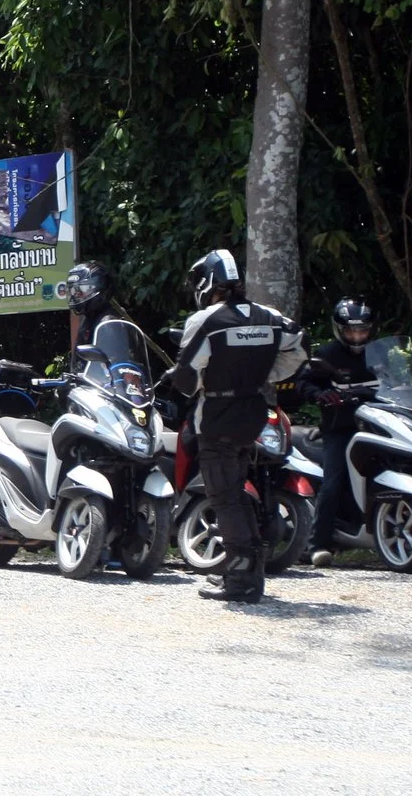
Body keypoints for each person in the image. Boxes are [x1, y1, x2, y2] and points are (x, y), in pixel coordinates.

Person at [171, 249, 308, 603]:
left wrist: (197, 380)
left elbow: (186, 378)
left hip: (217, 414)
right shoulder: (270, 316)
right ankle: (249, 575)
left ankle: (238, 580)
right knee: (237, 492)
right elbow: (299, 347)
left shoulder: (206, 320)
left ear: (207, 282)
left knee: (225, 496)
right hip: (253, 412)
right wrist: (267, 374)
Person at [300, 296, 378, 564]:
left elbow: (399, 382)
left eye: (362, 330)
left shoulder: (380, 354)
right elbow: (305, 383)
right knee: (333, 482)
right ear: (339, 330)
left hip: (379, 427)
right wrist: (321, 396)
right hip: (340, 428)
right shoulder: (327, 354)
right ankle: (317, 544)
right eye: (351, 330)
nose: (357, 336)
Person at [65, 261, 114, 352]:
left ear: (99, 286)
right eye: (73, 290)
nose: (76, 295)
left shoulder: (108, 322)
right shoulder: (88, 319)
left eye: (82, 289)